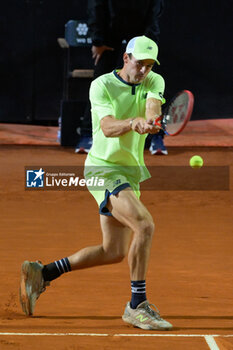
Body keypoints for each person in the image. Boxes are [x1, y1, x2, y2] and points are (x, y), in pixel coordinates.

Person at [20, 35, 172, 330]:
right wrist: (132, 123)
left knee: (113, 251)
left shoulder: (154, 80)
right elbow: (106, 126)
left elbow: (153, 107)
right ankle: (136, 306)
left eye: (149, 65)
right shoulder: (101, 85)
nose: (144, 71)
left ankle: (43, 273)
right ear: (126, 58)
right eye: (140, 64)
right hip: (102, 168)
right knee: (144, 225)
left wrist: (150, 119)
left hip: (130, 171)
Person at [75, 0, 168, 156]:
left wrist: (149, 45)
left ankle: (156, 135)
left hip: (142, 31)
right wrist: (98, 39)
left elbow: (154, 11)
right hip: (110, 31)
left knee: (150, 79)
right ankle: (87, 134)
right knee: (101, 81)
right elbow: (96, 6)